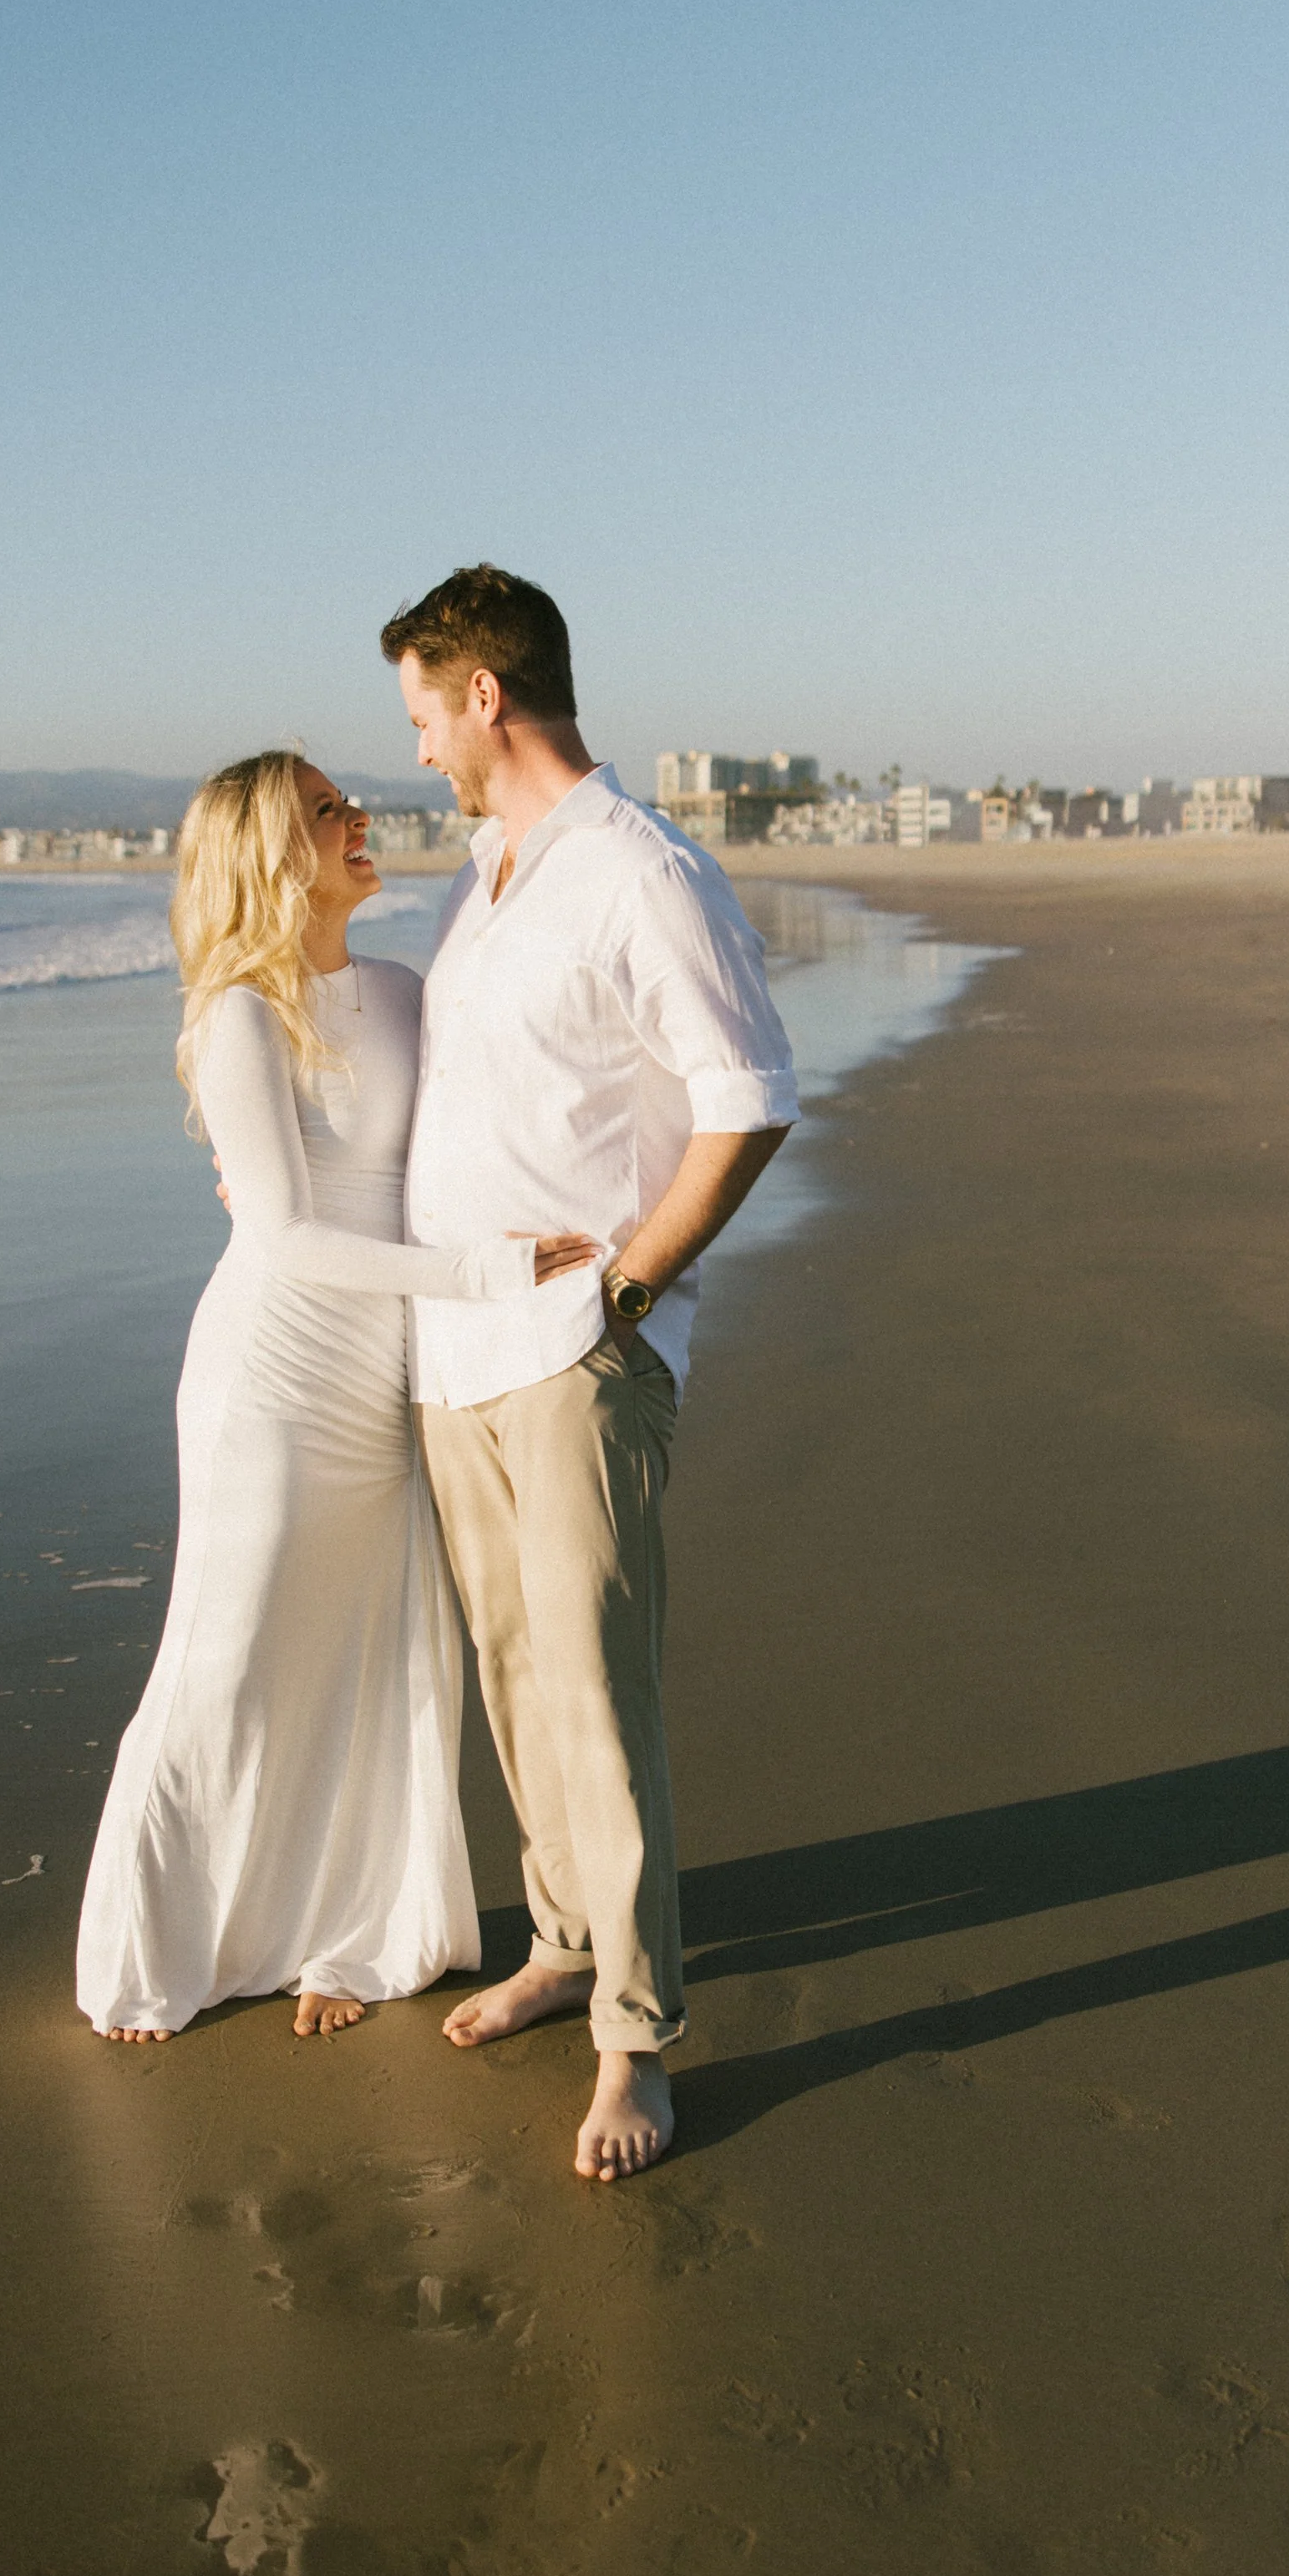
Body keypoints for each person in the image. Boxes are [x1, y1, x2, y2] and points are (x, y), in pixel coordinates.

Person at [74, 748, 596, 2046]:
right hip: (280, 1370)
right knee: (230, 1649)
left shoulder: (407, 994)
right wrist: (488, 1274)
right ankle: (161, 1943)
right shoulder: (239, 1014)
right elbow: (289, 1239)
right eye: (325, 812)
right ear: (269, 855)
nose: (360, 819)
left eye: (349, 802)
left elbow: (467, 1143)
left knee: (378, 1651)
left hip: (391, 1369)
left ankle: (352, 1930)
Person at [385, 566, 801, 2180]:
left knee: (597, 1694)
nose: (417, 747)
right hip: (457, 1349)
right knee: (511, 1672)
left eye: (424, 711)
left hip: (577, 1351)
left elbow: (749, 1096)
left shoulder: (642, 874)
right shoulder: (489, 873)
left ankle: (637, 2036)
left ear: (487, 694)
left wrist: (632, 1285)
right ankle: (562, 1941)